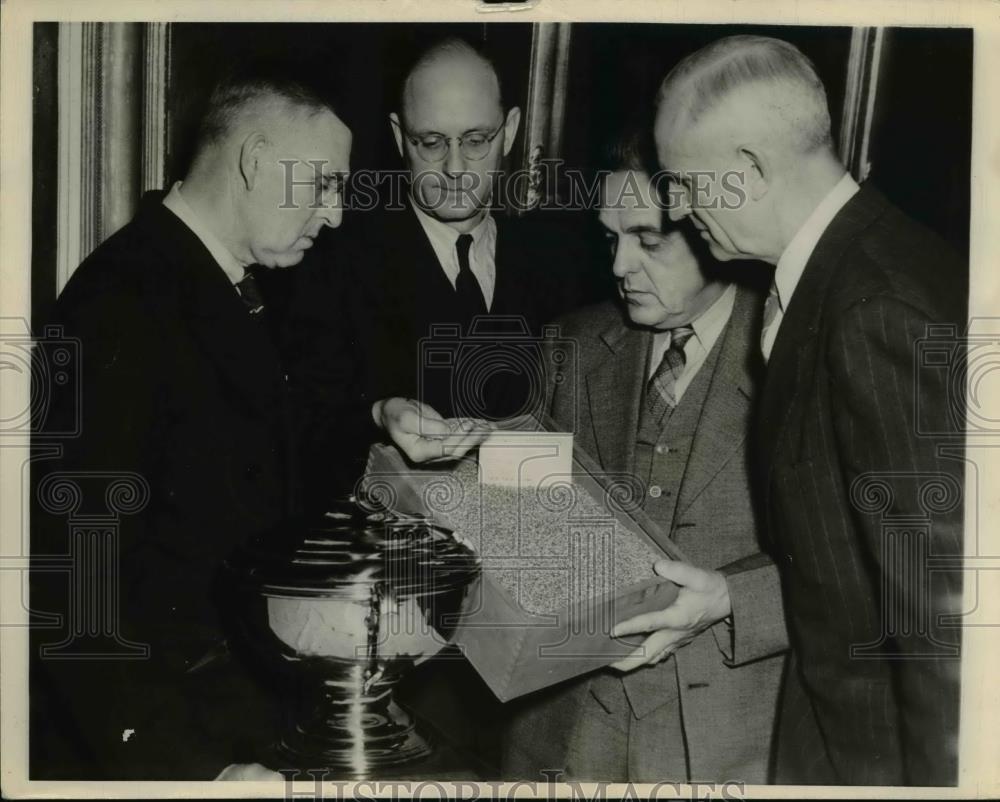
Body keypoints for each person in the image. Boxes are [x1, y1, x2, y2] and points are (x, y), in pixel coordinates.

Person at [29, 66, 483, 781]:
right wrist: (193, 771)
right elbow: (74, 577)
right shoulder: (121, 300)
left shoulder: (217, 280)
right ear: (255, 161)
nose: (335, 215)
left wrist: (376, 413)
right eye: (326, 184)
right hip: (174, 738)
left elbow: (252, 451)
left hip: (240, 712)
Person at [654, 35, 965, 786]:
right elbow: (848, 549)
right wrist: (732, 592)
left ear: (750, 170)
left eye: (685, 182)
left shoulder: (878, 308)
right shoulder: (851, 265)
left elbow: (947, 628)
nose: (675, 206)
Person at [503, 131, 787, 783]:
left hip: (729, 743)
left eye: (648, 239)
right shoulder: (570, 343)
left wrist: (728, 596)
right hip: (565, 731)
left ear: (713, 227)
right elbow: (525, 532)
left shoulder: (794, 355)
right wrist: (463, 462)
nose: (620, 266)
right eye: (611, 239)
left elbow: (850, 561)